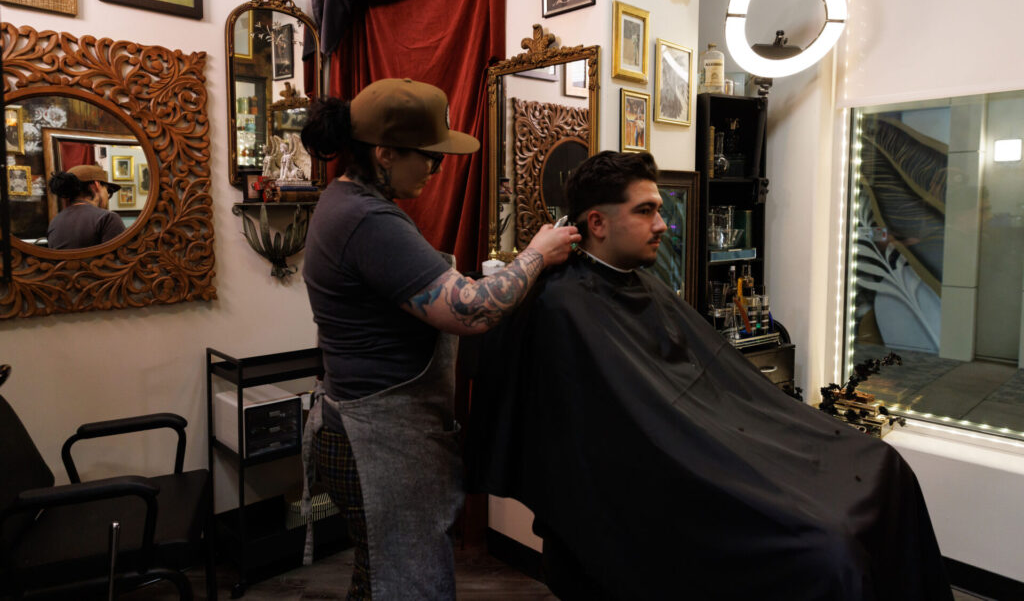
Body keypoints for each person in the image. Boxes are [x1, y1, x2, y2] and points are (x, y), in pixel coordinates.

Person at [466, 151, 953, 601]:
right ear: (596, 222)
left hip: (697, 455)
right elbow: (614, 438)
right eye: (645, 211)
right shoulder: (563, 306)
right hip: (657, 490)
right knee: (828, 549)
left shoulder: (641, 285)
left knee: (885, 468)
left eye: (659, 209)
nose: (663, 225)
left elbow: (703, 393)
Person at [299, 78, 580, 599]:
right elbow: (470, 311)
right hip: (377, 439)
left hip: (355, 423)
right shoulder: (368, 220)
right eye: (429, 156)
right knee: (409, 587)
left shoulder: (343, 200)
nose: (437, 167)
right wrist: (537, 254)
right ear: (384, 152)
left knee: (380, 577)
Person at [46, 164, 125, 250]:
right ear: (96, 185)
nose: (107, 196)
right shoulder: (108, 218)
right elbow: (121, 259)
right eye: (107, 190)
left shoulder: (55, 221)